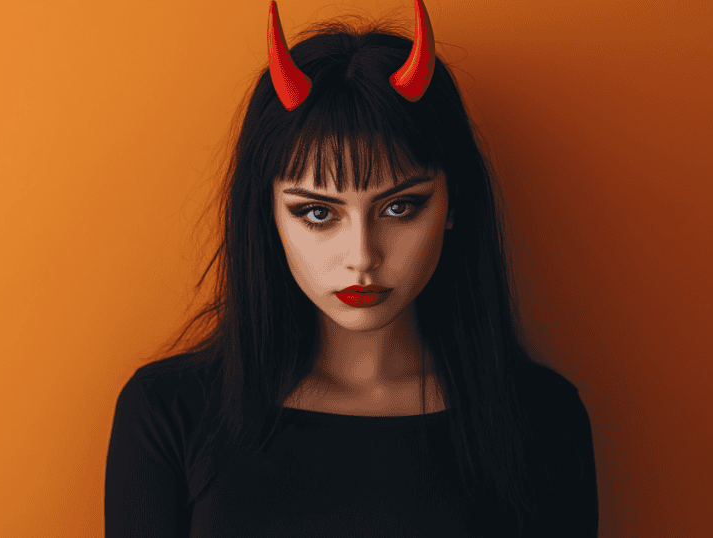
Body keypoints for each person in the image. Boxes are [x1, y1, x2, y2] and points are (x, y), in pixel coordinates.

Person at [104, 1, 598, 536]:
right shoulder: (168, 413)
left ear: (454, 203)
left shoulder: (542, 420)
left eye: (399, 207)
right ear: (267, 214)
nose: (362, 256)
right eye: (318, 213)